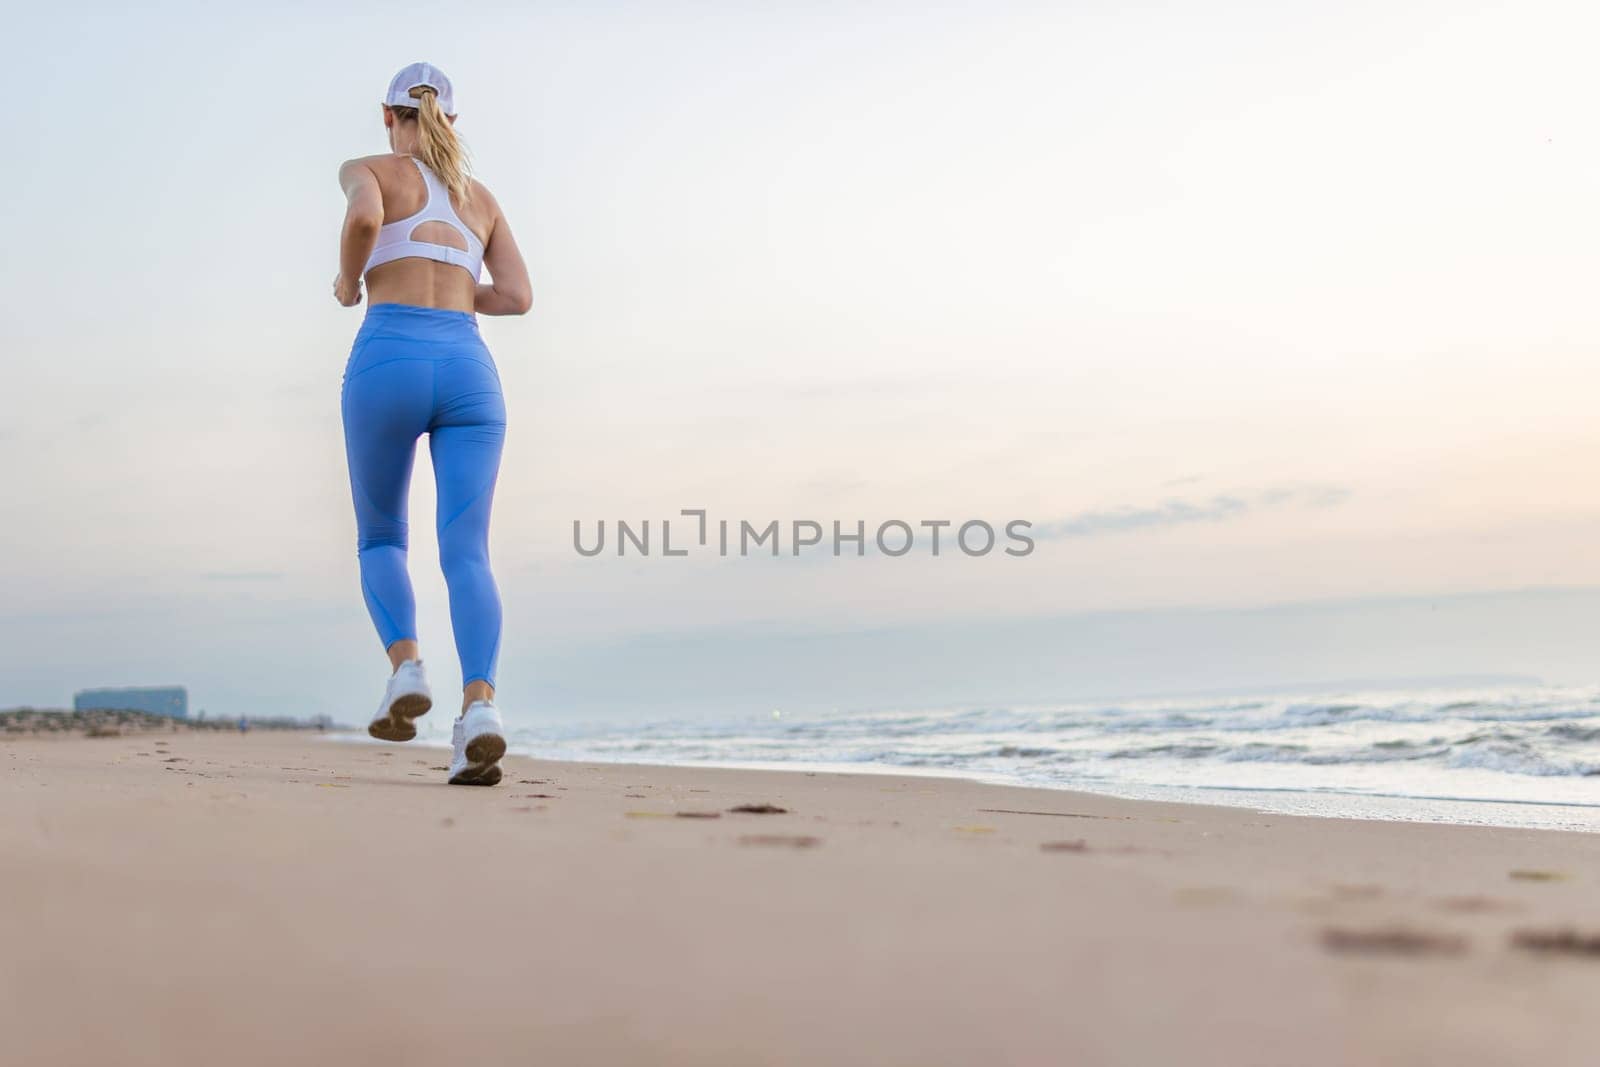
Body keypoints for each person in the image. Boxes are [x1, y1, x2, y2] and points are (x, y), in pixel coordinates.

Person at [332, 62, 532, 786]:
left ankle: (407, 665)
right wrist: (453, 287)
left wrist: (351, 279)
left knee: (382, 534)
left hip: (389, 355)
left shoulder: (371, 169)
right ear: (452, 120)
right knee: (467, 551)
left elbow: (362, 220)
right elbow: (516, 296)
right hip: (469, 370)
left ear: (389, 115)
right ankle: (479, 708)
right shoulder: (481, 200)